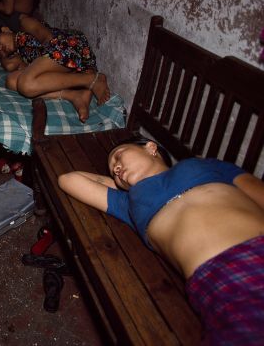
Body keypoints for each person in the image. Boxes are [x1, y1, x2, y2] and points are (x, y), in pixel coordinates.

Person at [58, 138, 264, 344]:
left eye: (119, 156)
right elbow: (69, 180)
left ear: (151, 147)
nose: (116, 167)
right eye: (113, 171)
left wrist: (130, 179)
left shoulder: (204, 165)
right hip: (218, 282)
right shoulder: (129, 204)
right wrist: (125, 186)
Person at [0, 14, 110, 122]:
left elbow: (49, 38)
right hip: (59, 65)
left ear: (5, 30)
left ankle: (91, 79)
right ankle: (74, 95)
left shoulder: (24, 25)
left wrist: (43, 66)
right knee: (11, 82)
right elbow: (9, 66)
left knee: (26, 84)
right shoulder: (20, 54)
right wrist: (3, 53)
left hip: (68, 48)